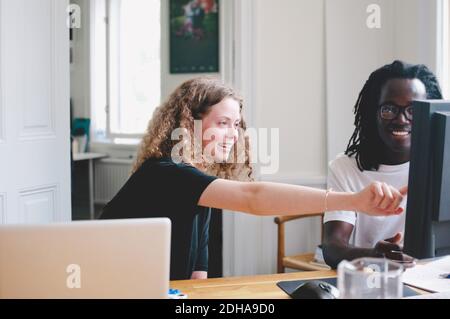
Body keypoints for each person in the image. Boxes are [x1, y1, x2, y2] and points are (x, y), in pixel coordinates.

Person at [100, 77, 406, 280]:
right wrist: (353, 201)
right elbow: (253, 197)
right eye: (223, 123)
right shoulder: (166, 172)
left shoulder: (200, 184)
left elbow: (198, 271)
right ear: (188, 124)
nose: (233, 135)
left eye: (236, 125)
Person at [322, 61, 443, 269]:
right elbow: (333, 248)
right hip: (370, 279)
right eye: (389, 109)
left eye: (414, 110)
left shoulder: (441, 166)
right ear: (372, 112)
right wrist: (376, 256)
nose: (401, 120)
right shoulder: (345, 168)